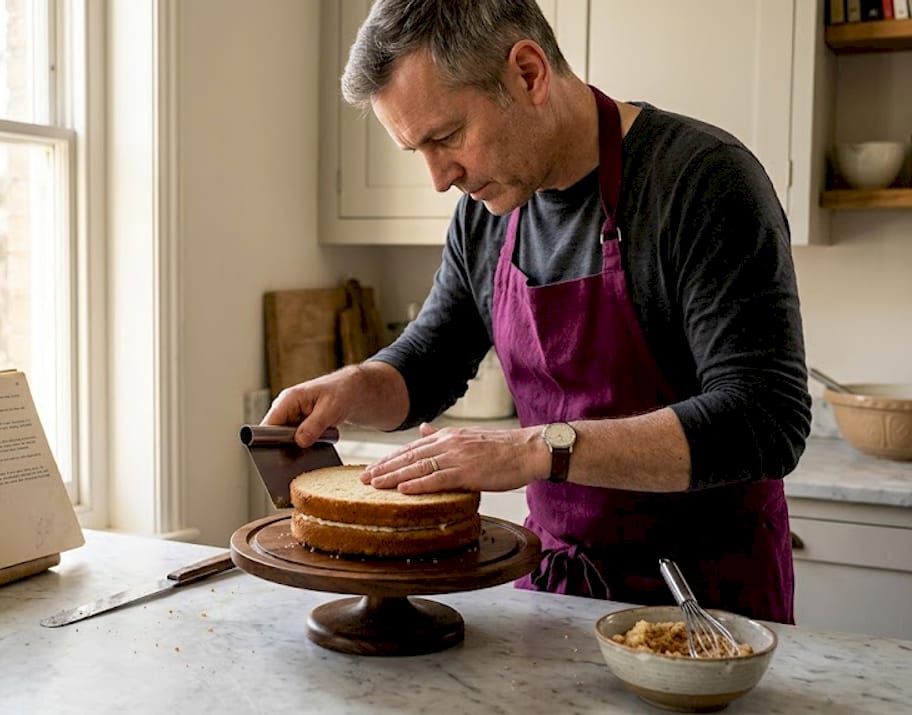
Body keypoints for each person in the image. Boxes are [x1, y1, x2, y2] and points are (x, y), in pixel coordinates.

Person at [263, 0, 811, 624]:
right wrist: (354, 385)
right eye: (417, 150)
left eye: (445, 137)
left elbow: (766, 419)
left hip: (708, 607)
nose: (439, 178)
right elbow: (431, 361)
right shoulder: (487, 210)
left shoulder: (701, 180)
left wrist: (532, 450)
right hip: (557, 593)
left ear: (528, 72)